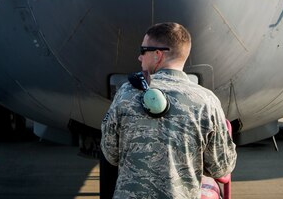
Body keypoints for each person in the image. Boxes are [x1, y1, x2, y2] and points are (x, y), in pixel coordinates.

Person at [101, 22, 236, 198]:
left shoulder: (125, 94)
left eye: (143, 51)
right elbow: (221, 167)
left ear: (158, 55)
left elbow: (110, 153)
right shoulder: (206, 101)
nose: (139, 57)